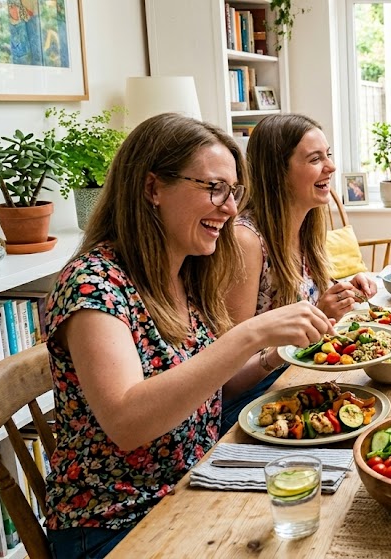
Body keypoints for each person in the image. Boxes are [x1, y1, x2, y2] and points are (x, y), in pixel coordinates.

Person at [42, 113, 333, 559]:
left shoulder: (189, 275)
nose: (231, 208)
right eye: (214, 188)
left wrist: (273, 355)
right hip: (116, 522)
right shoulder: (94, 284)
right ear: (152, 188)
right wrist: (248, 335)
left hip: (195, 482)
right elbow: (128, 422)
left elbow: (214, 387)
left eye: (234, 192)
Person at [221, 113, 377, 433]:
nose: (331, 167)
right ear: (278, 172)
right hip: (254, 405)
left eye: (328, 155)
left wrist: (343, 288)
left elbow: (304, 296)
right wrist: (311, 322)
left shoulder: (305, 225)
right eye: (315, 158)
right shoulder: (246, 241)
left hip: (298, 381)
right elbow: (227, 377)